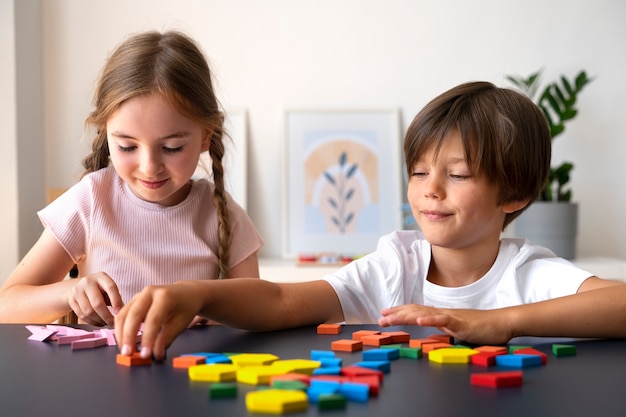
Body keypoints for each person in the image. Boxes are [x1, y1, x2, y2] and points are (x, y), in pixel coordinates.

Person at [115, 81, 626, 361]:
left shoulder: (527, 274)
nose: (431, 188)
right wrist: (197, 293)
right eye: (420, 171)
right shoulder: (395, 265)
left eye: (459, 174)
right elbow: (280, 299)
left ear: (513, 193)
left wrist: (500, 322)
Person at [0, 31, 263, 326]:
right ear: (106, 134)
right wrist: (71, 292)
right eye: (127, 146)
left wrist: (206, 311)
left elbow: (260, 310)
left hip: (190, 371)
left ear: (206, 136)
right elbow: (7, 305)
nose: (149, 167)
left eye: (172, 148)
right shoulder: (90, 201)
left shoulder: (221, 212)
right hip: (101, 372)